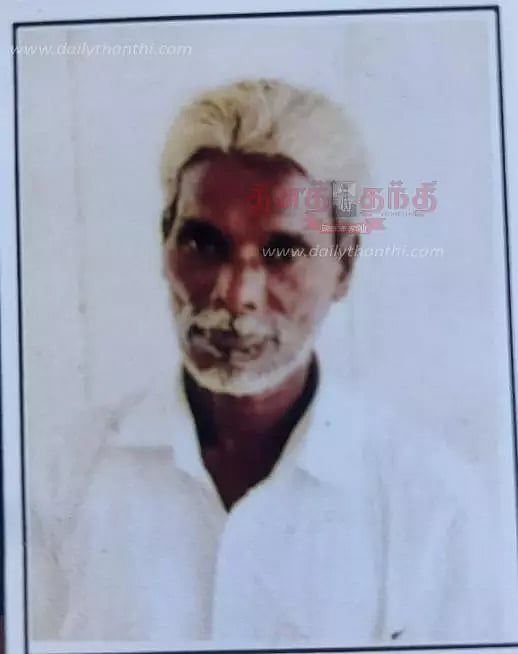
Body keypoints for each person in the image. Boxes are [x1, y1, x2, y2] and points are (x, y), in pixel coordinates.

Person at [30, 79, 513, 647]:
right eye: (203, 244)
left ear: (344, 266)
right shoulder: (64, 476)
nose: (237, 295)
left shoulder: (431, 506)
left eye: (282, 253)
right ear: (164, 243)